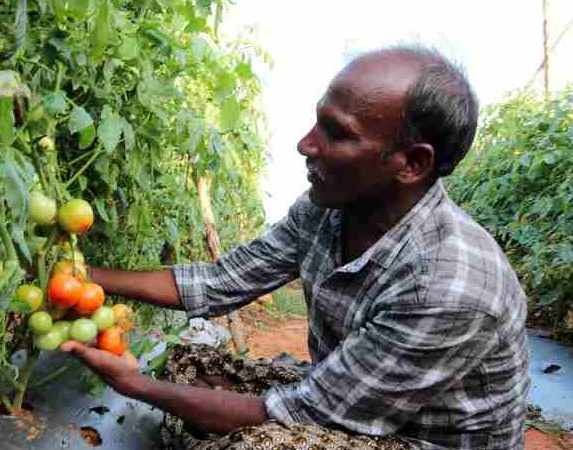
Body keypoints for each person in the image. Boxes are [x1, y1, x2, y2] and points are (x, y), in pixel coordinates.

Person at [60, 45, 529, 450]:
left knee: (257, 441)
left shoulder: (450, 286)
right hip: (354, 402)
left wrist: (136, 386)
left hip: (420, 439)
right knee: (187, 365)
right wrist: (84, 278)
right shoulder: (325, 209)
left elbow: (308, 413)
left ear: (411, 163)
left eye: (337, 132)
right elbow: (221, 282)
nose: (306, 144)